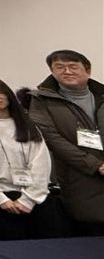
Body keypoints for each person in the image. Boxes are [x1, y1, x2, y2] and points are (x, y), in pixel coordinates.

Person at [0, 76, 67, 240]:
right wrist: (0, 197)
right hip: (1, 199)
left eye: (0, 91)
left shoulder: (26, 122)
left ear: (8, 94)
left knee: (50, 245)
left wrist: (28, 199)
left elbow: (41, 162)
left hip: (36, 197)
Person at [28, 49, 104, 235]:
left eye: (73, 66)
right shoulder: (41, 100)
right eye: (60, 67)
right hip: (78, 175)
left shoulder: (101, 95)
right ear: (52, 72)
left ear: (87, 70)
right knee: (93, 231)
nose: (67, 71)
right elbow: (51, 138)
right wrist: (95, 164)